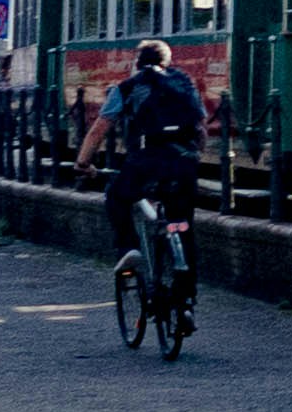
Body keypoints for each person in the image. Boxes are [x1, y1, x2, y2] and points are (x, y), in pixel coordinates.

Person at [76, 43, 211, 298]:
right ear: (167, 62)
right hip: (183, 163)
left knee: (117, 196)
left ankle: (129, 247)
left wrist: (83, 162)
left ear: (137, 63)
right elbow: (201, 126)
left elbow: (99, 128)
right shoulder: (184, 83)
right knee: (182, 223)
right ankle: (187, 299)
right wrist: (194, 156)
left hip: (146, 162)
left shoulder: (128, 87)